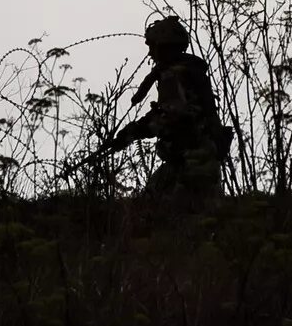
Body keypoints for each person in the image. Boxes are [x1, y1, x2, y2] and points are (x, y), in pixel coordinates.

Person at [92, 16, 230, 197]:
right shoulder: (188, 71)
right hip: (192, 160)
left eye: (152, 47)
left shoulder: (174, 75)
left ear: (164, 46)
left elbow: (171, 116)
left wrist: (134, 131)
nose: (150, 53)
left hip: (193, 163)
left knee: (169, 213)